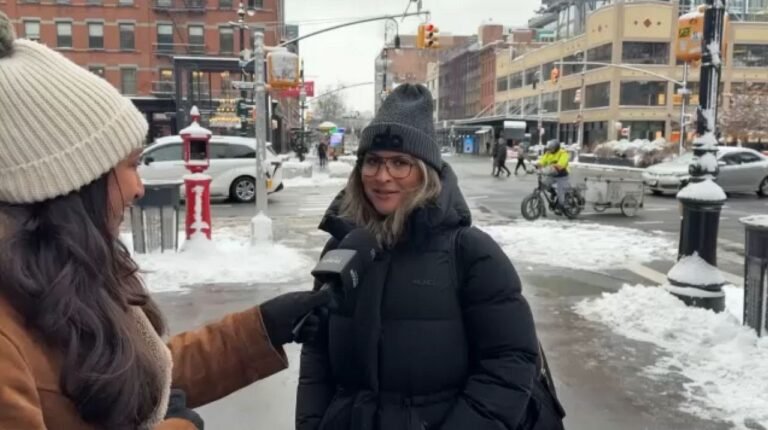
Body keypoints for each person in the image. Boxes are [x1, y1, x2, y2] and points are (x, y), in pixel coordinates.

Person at [0, 15, 328, 429]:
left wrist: (262, 327)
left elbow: (139, 377)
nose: (140, 188)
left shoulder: (61, 273)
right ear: (71, 180)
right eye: (132, 166)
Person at [296, 84, 540, 430]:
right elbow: (317, 356)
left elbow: (510, 363)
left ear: (425, 173)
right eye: (373, 162)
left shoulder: (471, 253)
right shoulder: (342, 247)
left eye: (400, 163)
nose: (383, 177)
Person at [536, 140, 571, 210]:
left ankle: (563, 205)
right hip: (552, 175)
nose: (550, 150)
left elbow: (560, 165)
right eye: (549, 148)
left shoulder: (563, 153)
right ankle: (554, 193)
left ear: (557, 148)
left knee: (561, 197)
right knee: (543, 185)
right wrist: (538, 165)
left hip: (562, 175)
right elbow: (542, 161)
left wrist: (545, 170)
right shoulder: (548, 153)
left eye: (552, 148)